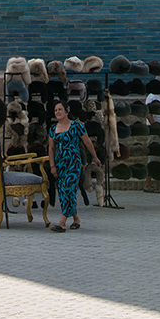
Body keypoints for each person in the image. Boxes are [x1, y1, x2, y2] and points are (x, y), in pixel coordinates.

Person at [47, 99, 100, 233]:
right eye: (56, 110)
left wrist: (95, 157)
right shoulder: (53, 129)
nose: (58, 112)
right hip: (60, 164)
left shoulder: (76, 126)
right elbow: (51, 149)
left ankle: (62, 221)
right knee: (63, 191)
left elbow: (87, 142)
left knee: (69, 189)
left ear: (66, 110)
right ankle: (76, 218)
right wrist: (52, 166)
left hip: (73, 163)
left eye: (60, 109)